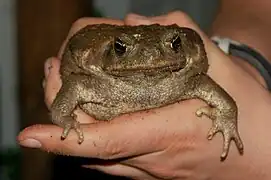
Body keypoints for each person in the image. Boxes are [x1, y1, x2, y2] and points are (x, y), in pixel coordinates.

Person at [17, 0, 271, 179]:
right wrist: (246, 64)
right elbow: (70, 93)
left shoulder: (187, 79)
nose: (150, 56)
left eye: (172, 44)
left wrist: (256, 158)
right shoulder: (90, 80)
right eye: (121, 48)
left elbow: (223, 103)